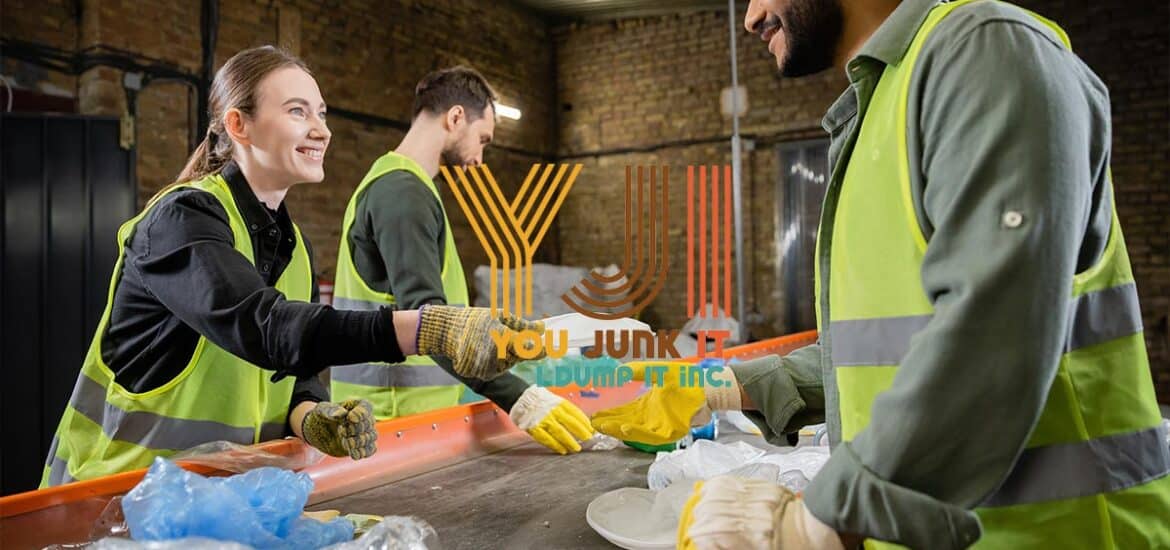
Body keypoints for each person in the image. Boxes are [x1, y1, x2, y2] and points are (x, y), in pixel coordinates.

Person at [592, 0, 1170, 548]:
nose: (751, 17)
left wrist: (825, 521)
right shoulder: (878, 111)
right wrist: (727, 388)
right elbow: (887, 350)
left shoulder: (984, 52)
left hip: (1060, 534)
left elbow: (992, 334)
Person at [43, 46, 540, 487]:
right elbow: (263, 326)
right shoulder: (181, 220)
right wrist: (425, 328)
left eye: (322, 113)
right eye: (298, 111)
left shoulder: (294, 247)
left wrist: (310, 415)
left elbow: (289, 371)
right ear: (239, 125)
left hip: (221, 505)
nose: (321, 129)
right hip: (115, 503)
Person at [329, 66, 594, 455]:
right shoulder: (402, 193)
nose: (480, 158)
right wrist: (519, 398)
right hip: (395, 425)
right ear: (455, 118)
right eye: (482, 139)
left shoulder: (405, 186)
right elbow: (431, 323)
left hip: (410, 422)